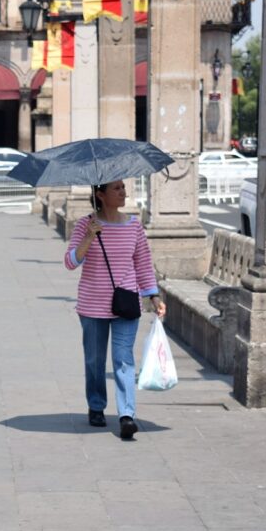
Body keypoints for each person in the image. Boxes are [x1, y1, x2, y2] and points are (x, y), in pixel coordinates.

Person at [64, 180, 167, 439]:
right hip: (92, 304)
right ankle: (96, 405)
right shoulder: (85, 225)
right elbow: (71, 262)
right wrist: (89, 237)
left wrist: (153, 296)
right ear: (100, 194)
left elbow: (143, 264)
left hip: (126, 303)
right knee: (95, 361)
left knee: (123, 360)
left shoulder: (134, 226)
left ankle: (126, 415)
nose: (123, 192)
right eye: (117, 188)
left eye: (123, 187)